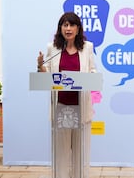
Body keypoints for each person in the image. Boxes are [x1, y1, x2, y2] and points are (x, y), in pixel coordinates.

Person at [37, 12, 96, 178]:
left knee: (80, 153)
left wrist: (89, 78)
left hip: (81, 107)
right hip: (62, 107)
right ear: (60, 28)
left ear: (78, 29)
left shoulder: (87, 48)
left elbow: (93, 71)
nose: (68, 28)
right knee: (61, 153)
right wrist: (40, 65)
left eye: (71, 25)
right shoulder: (53, 49)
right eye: (65, 25)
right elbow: (46, 75)